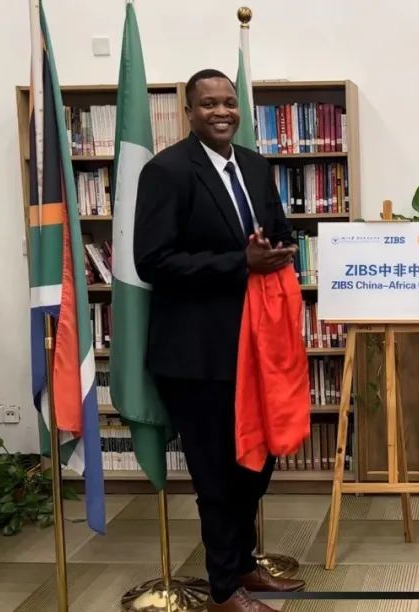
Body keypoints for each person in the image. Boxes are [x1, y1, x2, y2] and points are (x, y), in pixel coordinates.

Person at [134, 68, 304, 612]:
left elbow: (278, 230)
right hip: (198, 354)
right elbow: (152, 261)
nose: (222, 111)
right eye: (209, 104)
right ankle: (224, 589)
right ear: (189, 112)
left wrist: (279, 248)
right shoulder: (166, 172)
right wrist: (240, 262)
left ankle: (244, 563)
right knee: (217, 475)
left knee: (257, 463)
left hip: (258, 347)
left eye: (229, 102)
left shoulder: (254, 165)